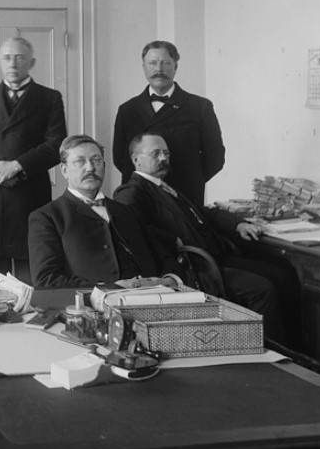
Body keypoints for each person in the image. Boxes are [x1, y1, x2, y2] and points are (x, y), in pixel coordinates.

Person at [113, 132, 296, 346]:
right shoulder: (132, 192)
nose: (163, 158)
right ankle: (270, 351)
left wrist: (238, 224)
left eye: (166, 153)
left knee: (283, 273)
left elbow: (205, 213)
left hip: (214, 256)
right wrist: (172, 241)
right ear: (137, 159)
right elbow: (135, 234)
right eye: (156, 153)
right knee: (264, 288)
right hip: (195, 267)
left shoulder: (165, 186)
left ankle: (295, 350)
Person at [0, 37, 67, 282]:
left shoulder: (49, 98)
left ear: (32, 62)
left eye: (19, 57)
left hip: (30, 198)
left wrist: (17, 165)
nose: (13, 63)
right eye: (7, 57)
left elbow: (56, 144)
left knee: (30, 276)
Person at [28, 134, 163, 288]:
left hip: (151, 299)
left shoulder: (126, 211)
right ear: (64, 170)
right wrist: (111, 287)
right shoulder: (47, 217)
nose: (90, 168)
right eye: (80, 161)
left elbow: (160, 255)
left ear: (104, 167)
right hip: (92, 307)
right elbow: (46, 281)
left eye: (96, 160)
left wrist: (170, 279)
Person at [112, 40, 225, 206]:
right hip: (139, 196)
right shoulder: (127, 110)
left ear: (175, 67)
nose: (159, 69)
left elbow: (215, 157)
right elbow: (120, 158)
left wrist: (191, 180)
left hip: (184, 195)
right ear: (143, 67)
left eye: (165, 63)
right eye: (152, 63)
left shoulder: (200, 107)